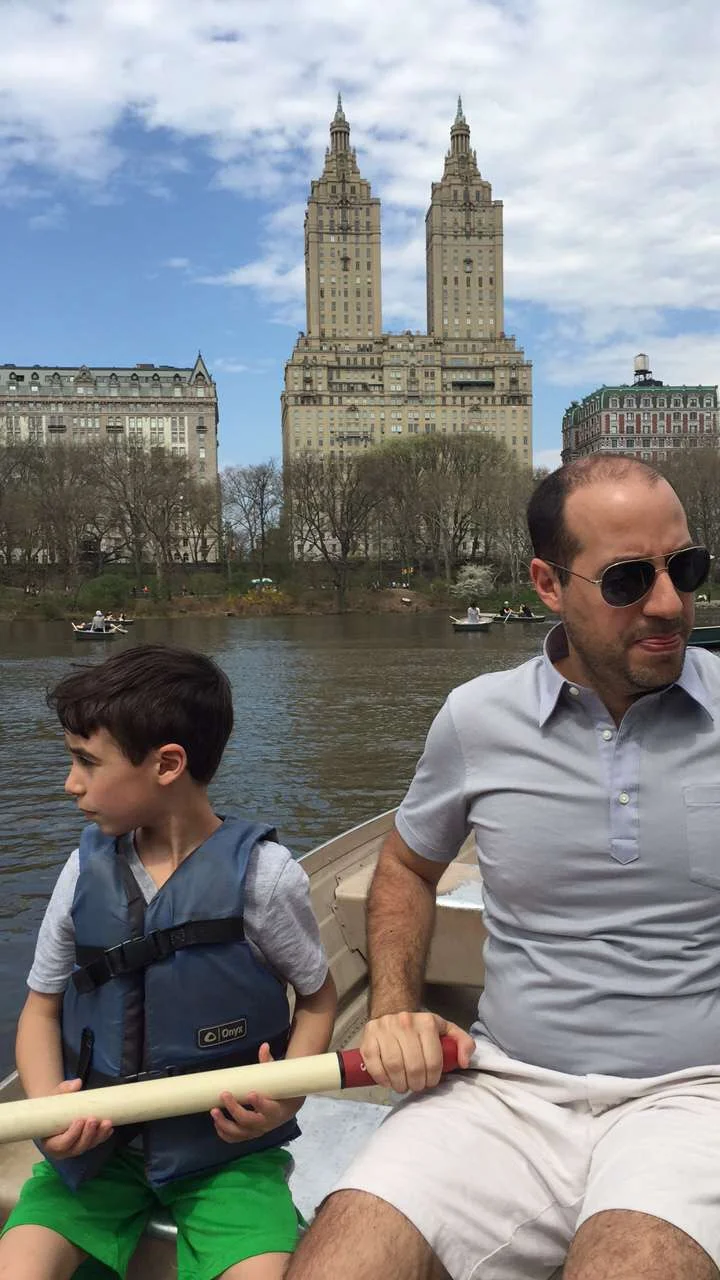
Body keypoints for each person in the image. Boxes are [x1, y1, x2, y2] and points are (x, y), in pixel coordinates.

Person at [287, 455, 720, 1280]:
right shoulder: (476, 719)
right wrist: (395, 1011)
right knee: (341, 1259)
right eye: (629, 580)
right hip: (504, 1087)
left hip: (698, 1094)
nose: (669, 604)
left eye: (686, 567)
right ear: (547, 585)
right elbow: (407, 870)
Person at [0, 644, 336, 1280]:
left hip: (229, 1159)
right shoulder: (82, 871)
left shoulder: (265, 879)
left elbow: (318, 1000)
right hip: (100, 1158)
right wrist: (47, 1109)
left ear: (167, 764)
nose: (70, 783)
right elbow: (41, 1010)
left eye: (86, 762)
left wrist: (285, 1101)